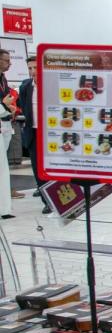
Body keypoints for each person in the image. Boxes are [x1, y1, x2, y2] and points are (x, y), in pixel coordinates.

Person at [17, 56, 48, 213]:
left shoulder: (51, 86)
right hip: (33, 133)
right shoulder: (25, 87)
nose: (33, 71)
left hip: (50, 134)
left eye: (36, 68)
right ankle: (47, 202)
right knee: (38, 170)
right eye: (30, 68)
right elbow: (23, 107)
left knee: (53, 169)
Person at [0, 49, 16, 218]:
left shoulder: (3, 79)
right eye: (5, 60)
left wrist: (8, 108)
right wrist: (4, 106)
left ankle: (4, 208)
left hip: (4, 125)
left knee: (3, 170)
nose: (9, 63)